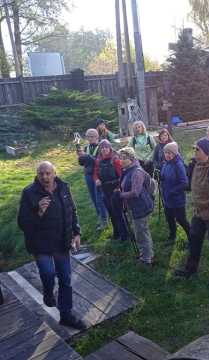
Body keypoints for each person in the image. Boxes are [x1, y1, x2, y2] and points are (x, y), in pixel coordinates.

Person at [17, 161, 86, 330]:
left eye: (48, 173)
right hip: (41, 244)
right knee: (48, 273)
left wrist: (76, 232)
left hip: (61, 241)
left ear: (54, 173)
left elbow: (72, 211)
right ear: (37, 175)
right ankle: (48, 292)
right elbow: (22, 223)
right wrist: (38, 212)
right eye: (41, 174)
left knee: (65, 279)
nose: (45, 177)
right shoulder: (29, 193)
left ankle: (66, 315)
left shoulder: (63, 187)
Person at [175, 138, 209, 287]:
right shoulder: (196, 166)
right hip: (198, 213)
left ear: (206, 152)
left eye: (197, 149)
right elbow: (192, 187)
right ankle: (190, 269)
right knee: (194, 240)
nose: (195, 152)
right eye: (195, 149)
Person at [118, 147, 155, 266]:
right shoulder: (128, 169)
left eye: (124, 158)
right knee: (142, 231)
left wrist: (121, 195)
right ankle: (148, 253)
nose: (121, 160)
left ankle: (146, 259)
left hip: (141, 206)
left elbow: (135, 192)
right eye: (120, 158)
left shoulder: (136, 172)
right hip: (135, 206)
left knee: (141, 233)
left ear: (131, 158)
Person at [94, 139, 128, 241]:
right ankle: (116, 233)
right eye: (102, 148)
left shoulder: (115, 160)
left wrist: (118, 188)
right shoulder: (98, 160)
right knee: (111, 214)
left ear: (110, 148)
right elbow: (95, 173)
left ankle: (124, 235)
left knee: (118, 213)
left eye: (106, 147)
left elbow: (122, 176)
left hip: (115, 190)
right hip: (105, 190)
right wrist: (96, 180)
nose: (104, 149)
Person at [77, 128, 108, 230]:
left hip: (98, 176)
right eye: (88, 136)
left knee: (99, 198)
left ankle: (104, 220)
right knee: (93, 198)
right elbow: (82, 163)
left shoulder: (101, 147)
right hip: (88, 175)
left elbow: (99, 162)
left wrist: (87, 156)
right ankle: (100, 216)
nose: (90, 138)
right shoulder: (86, 148)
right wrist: (80, 156)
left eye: (92, 136)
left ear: (97, 136)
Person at [160, 142, 190, 244]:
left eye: (170, 153)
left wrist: (173, 191)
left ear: (175, 153)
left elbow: (184, 183)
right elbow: (164, 176)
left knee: (181, 220)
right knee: (169, 218)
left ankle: (192, 238)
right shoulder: (166, 163)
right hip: (167, 198)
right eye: (166, 152)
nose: (167, 155)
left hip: (177, 199)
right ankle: (172, 236)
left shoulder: (178, 165)